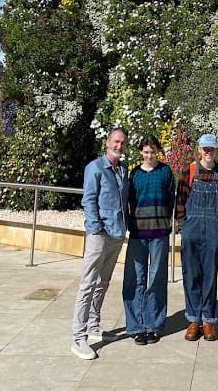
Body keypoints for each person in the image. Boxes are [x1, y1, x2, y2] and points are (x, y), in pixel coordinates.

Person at [71, 127, 129, 360]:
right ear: (108, 142)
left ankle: (94, 326)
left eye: (123, 143)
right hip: (99, 234)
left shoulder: (122, 169)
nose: (119, 146)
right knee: (88, 283)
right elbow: (89, 200)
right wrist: (96, 228)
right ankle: (78, 337)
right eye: (116, 141)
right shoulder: (95, 168)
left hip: (116, 233)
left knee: (103, 282)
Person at [176, 133, 218, 342]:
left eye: (212, 149)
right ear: (199, 150)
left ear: (216, 151)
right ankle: (193, 320)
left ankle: (208, 320)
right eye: (205, 149)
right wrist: (184, 224)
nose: (208, 152)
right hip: (192, 228)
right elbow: (180, 201)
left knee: (210, 275)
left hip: (212, 230)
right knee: (191, 274)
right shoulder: (188, 172)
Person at [123, 134, 176, 345]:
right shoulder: (134, 173)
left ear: (157, 152)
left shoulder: (165, 172)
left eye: (153, 151)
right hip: (138, 234)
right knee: (135, 279)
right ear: (141, 152)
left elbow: (171, 198)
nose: (149, 155)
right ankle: (137, 326)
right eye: (146, 152)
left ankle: (153, 324)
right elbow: (127, 200)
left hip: (159, 233)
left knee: (156, 279)